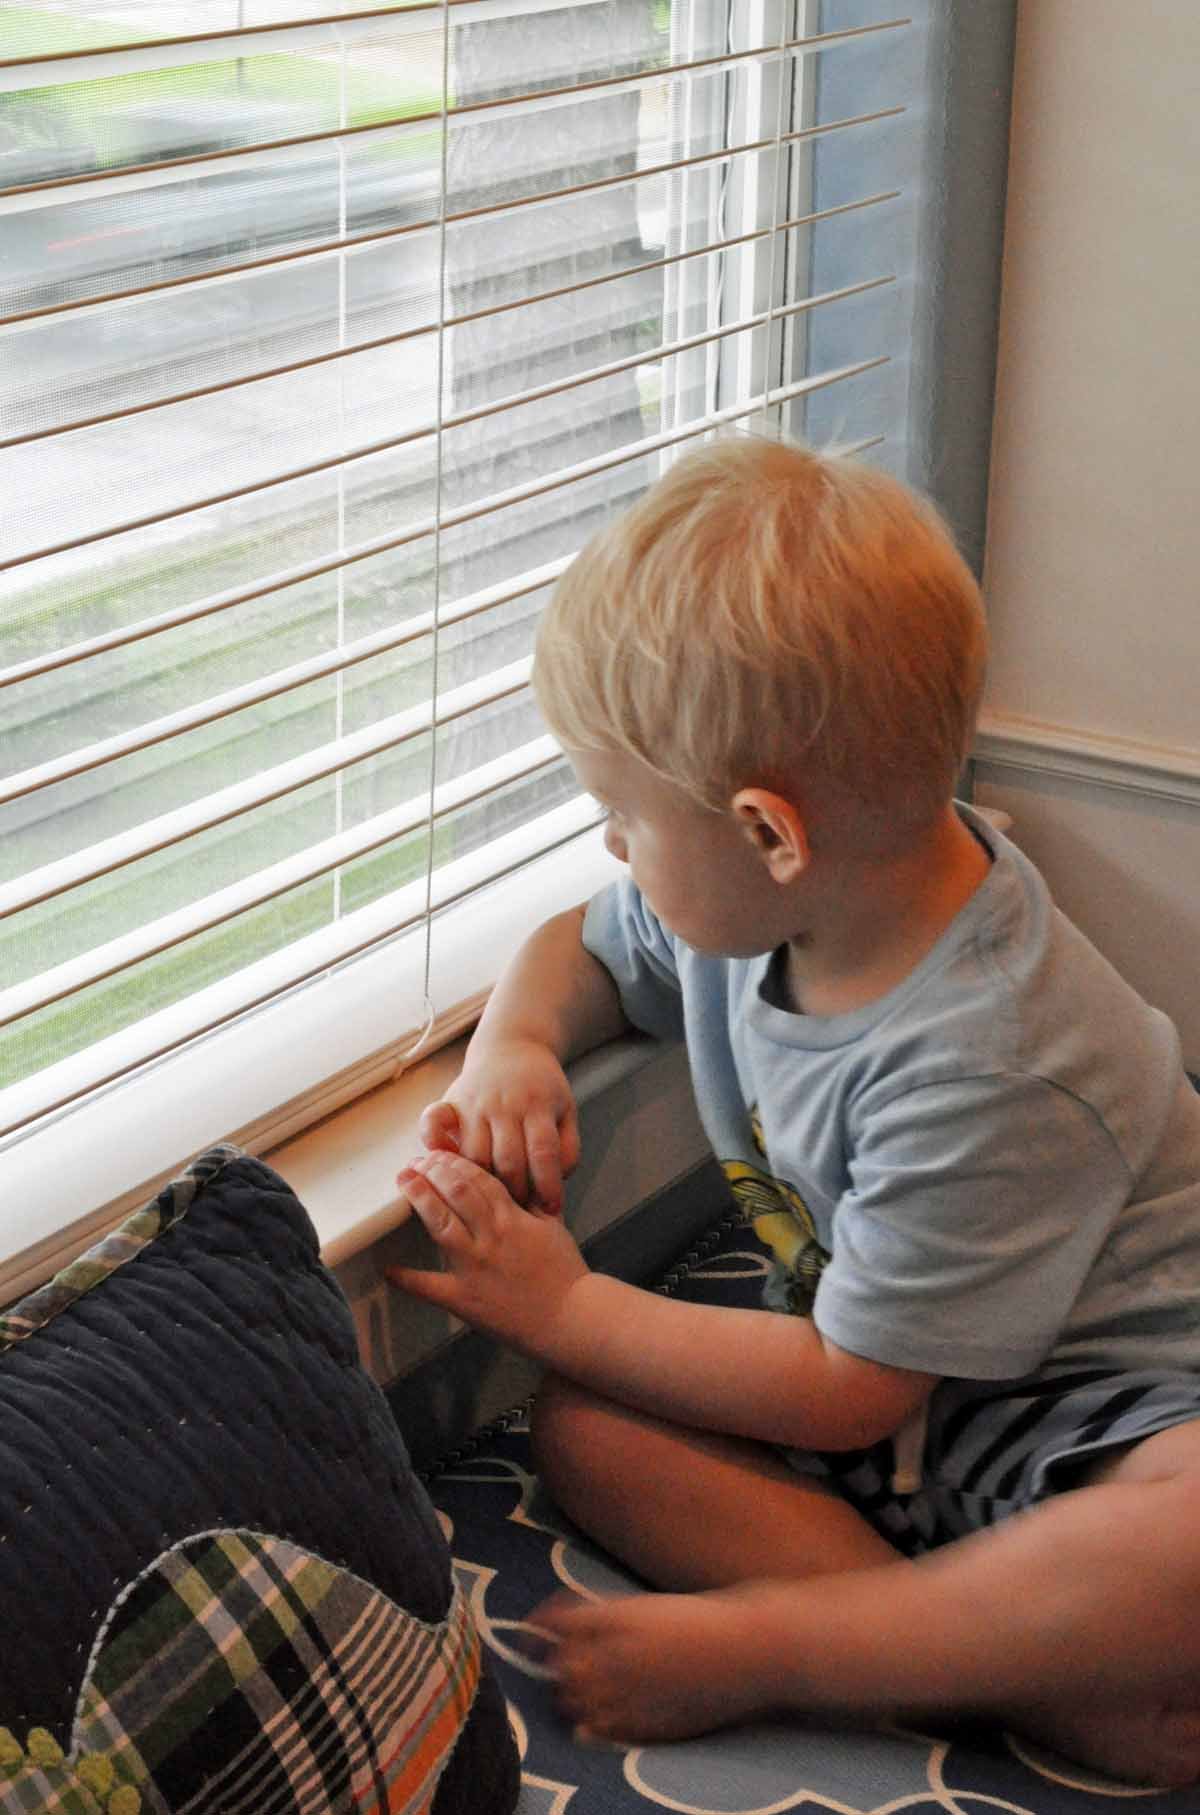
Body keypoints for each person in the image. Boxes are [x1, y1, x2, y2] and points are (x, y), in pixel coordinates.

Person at [387, 434, 1200, 1787]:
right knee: (587, 1426)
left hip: (1105, 1411)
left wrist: (568, 1301)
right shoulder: (759, 909)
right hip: (908, 1421)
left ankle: (811, 1643)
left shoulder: (998, 1053)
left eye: (624, 818)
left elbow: (846, 1391)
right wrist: (517, 1046)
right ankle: (1012, 1652)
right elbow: (579, 949)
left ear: (770, 831)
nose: (612, 851)